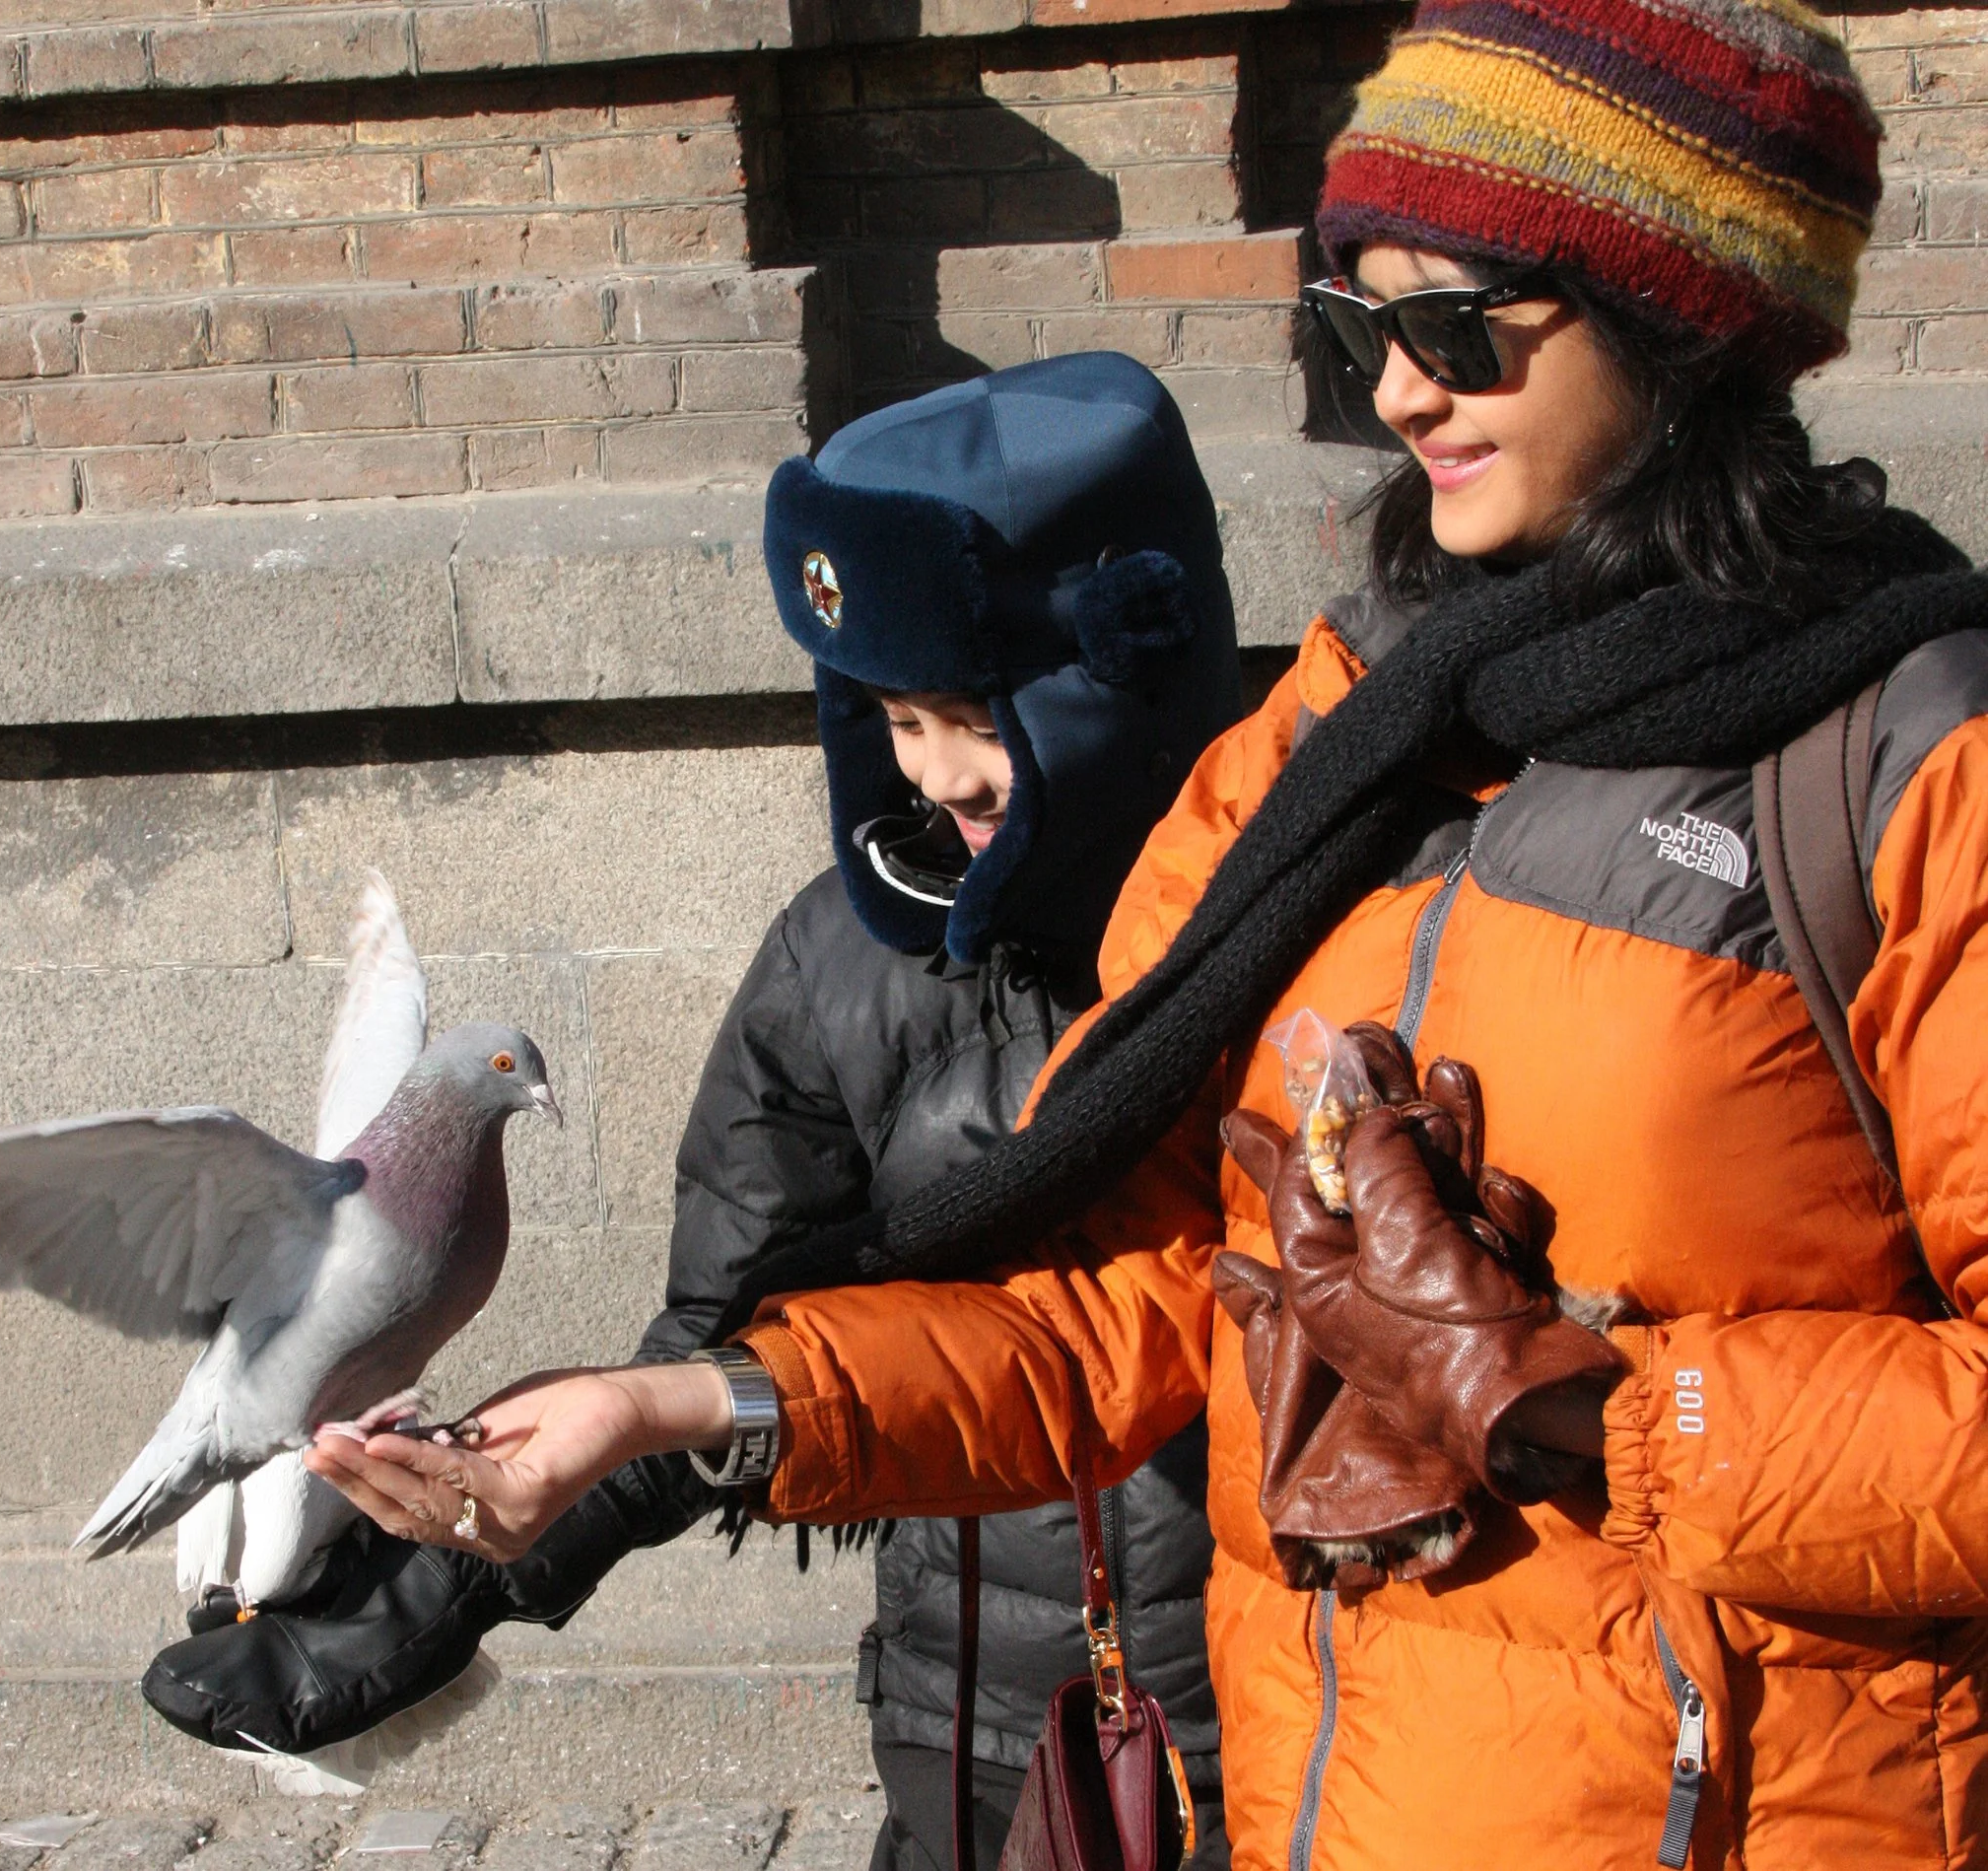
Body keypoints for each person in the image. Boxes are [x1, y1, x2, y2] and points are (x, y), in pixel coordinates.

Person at [311, 2, 1988, 1862]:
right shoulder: (1346, 735)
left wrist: (1575, 1405)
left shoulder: (1910, 755)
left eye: (1455, 327)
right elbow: (1138, 1307)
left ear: (1682, 320)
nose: (1400, 395)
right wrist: (659, 1407)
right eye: (1358, 328)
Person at [145, 352, 1244, 1870]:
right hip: (963, 1723)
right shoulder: (837, 960)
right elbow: (720, 1347)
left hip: (1260, 1719)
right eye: (895, 716)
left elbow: (1133, 1349)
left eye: (969, 714)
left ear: (1111, 671)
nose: (932, 773)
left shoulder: (1324, 924)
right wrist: (432, 1592)